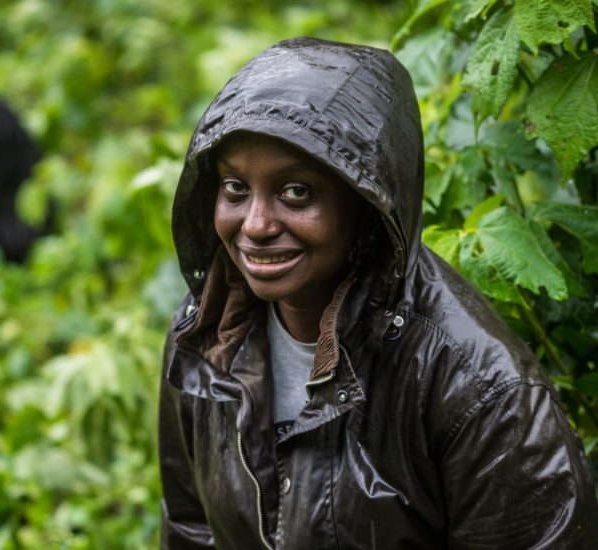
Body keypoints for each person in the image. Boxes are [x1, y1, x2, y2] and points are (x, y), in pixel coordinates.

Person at [158, 37, 598, 549]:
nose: (255, 225)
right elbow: (191, 529)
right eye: (235, 188)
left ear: (367, 201)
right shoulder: (207, 337)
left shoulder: (480, 391)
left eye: (295, 192)